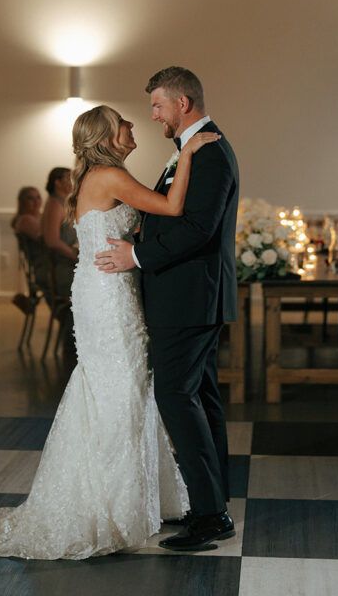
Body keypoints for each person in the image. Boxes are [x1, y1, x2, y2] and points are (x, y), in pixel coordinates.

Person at [0, 104, 219, 559]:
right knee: (123, 387)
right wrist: (189, 153)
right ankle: (111, 506)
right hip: (109, 294)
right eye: (123, 123)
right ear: (106, 136)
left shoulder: (100, 178)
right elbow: (174, 207)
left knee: (118, 387)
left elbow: (139, 223)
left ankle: (125, 497)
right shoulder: (108, 176)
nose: (133, 125)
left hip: (103, 287)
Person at [94, 67, 239, 552]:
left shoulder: (211, 153)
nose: (152, 114)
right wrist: (140, 239)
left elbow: (198, 228)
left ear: (182, 103)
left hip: (189, 298)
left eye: (157, 105)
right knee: (201, 400)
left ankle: (211, 514)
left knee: (176, 397)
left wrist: (135, 255)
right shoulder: (194, 150)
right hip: (188, 296)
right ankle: (210, 505)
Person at [41, 166, 78, 297]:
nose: (72, 182)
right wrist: (76, 257)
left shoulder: (63, 203)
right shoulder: (54, 204)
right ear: (57, 182)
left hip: (69, 264)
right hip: (63, 268)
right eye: (68, 178)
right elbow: (52, 241)